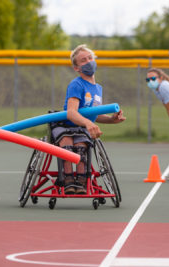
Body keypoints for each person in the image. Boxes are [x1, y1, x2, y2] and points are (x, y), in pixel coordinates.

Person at [52, 44, 126, 194]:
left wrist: (112, 120)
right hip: (65, 125)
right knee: (67, 142)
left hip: (81, 128)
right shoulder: (76, 84)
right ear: (77, 68)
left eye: (90, 58)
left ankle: (80, 180)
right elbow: (72, 113)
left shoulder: (98, 88)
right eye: (83, 60)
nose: (88, 62)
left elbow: (94, 114)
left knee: (81, 144)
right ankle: (67, 180)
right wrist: (87, 123)